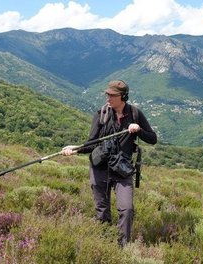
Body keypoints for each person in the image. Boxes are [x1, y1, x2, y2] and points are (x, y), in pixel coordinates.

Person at [61, 80, 157, 247]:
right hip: (100, 168)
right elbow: (92, 143)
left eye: (113, 95)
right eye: (108, 94)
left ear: (123, 96)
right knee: (102, 210)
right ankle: (105, 243)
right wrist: (74, 149)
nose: (108, 98)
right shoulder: (101, 114)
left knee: (126, 209)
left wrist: (139, 129)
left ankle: (122, 247)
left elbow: (152, 138)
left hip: (122, 170)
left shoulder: (135, 114)